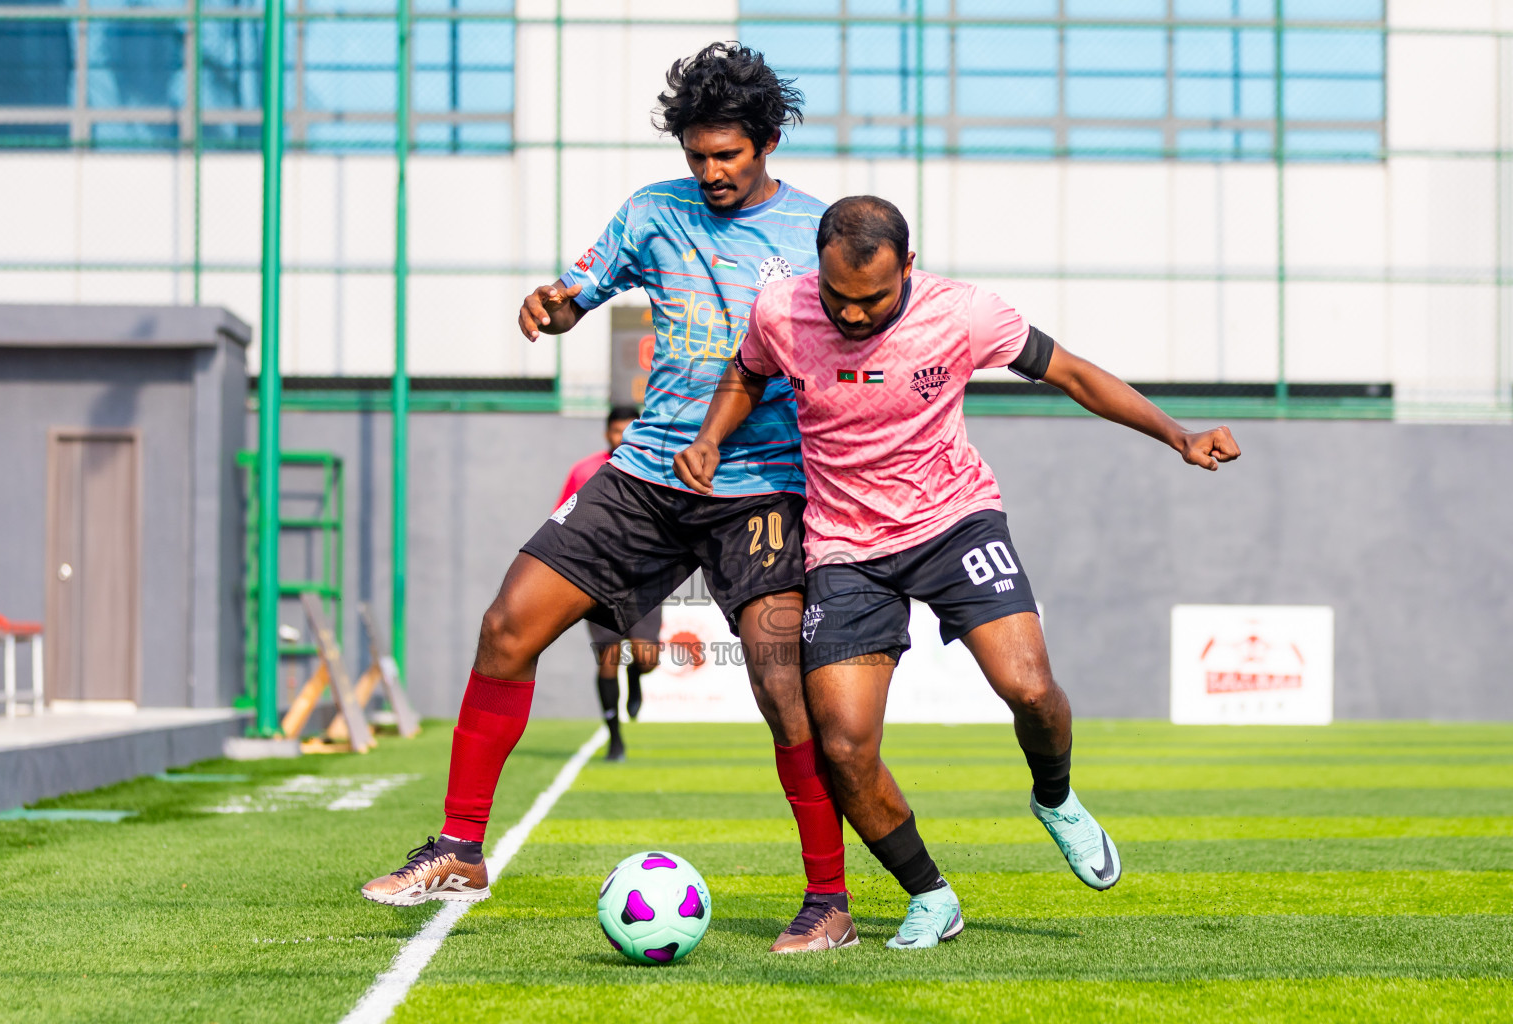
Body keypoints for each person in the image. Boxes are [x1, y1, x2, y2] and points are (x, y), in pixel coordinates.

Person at [362, 43, 859, 955]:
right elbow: (575, 295)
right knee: (508, 626)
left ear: (769, 141)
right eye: (697, 156)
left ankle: (828, 900)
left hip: (765, 489)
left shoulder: (822, 232)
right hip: (646, 475)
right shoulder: (651, 213)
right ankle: (461, 849)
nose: (710, 173)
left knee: (782, 685)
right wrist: (551, 307)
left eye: (728, 156)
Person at [675, 196, 1241, 950]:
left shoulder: (965, 313)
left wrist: (1177, 434)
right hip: (845, 546)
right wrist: (712, 437)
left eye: (872, 300)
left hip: (953, 521)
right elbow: (746, 373)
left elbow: (1069, 372)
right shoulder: (781, 310)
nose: (850, 317)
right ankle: (930, 895)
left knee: (1032, 690)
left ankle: (1056, 797)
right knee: (842, 745)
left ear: (908, 267)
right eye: (839, 299)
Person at [557, 405, 661, 761]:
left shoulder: (658, 466)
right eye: (617, 430)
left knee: (648, 657)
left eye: (630, 429)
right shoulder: (586, 470)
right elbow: (563, 518)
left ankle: (636, 678)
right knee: (607, 659)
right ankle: (615, 739)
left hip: (643, 578)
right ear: (608, 433)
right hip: (597, 579)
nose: (622, 437)